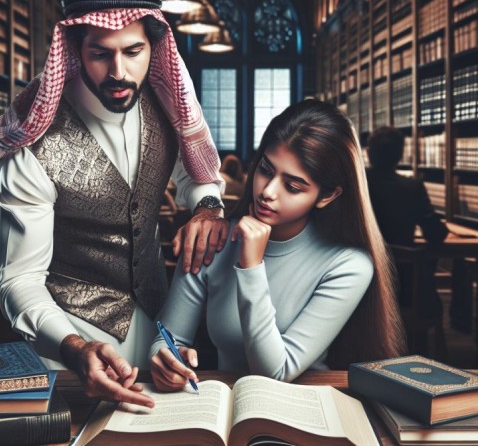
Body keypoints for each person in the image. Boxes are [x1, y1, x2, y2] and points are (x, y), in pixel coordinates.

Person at [0, 0, 231, 408]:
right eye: (101, 54)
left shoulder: (167, 104)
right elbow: (17, 280)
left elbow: (196, 170)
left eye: (133, 52)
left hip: (157, 327)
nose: (119, 71)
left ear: (154, 49)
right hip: (70, 341)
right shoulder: (34, 144)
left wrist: (207, 206)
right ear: (76, 50)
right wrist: (74, 347)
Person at [149, 99, 405, 391]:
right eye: (265, 170)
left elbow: (275, 372)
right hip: (222, 412)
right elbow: (166, 337)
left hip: (303, 414)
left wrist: (252, 266)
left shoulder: (348, 265)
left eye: (293, 187)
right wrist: (165, 358)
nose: (268, 192)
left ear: (328, 195)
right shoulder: (213, 239)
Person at [365, 126, 448, 347]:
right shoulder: (412, 187)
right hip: (404, 284)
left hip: (362, 280)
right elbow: (435, 234)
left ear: (368, 152)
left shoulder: (357, 184)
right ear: (400, 155)